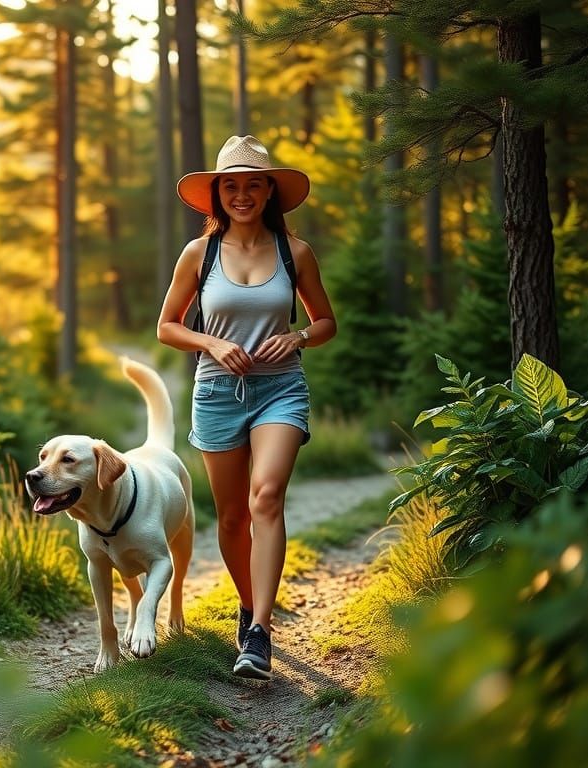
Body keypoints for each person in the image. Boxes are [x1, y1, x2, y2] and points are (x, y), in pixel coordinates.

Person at [156, 134, 336, 680]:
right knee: (233, 518)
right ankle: (247, 604)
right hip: (216, 393)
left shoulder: (295, 253)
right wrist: (211, 343)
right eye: (230, 185)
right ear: (217, 194)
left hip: (281, 389)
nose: (241, 195)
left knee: (267, 496)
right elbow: (167, 327)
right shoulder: (199, 254)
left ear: (268, 191)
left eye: (252, 185)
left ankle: (259, 631)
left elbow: (326, 322)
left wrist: (298, 337)